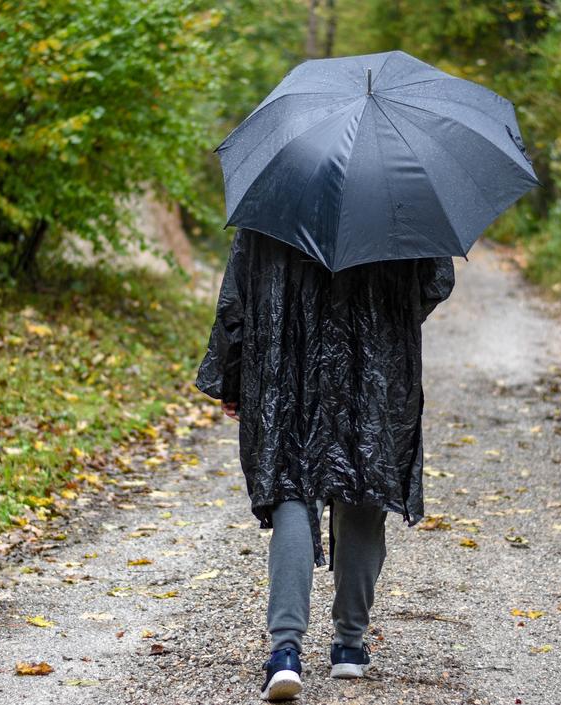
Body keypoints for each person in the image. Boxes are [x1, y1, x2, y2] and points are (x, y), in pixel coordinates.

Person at [195, 227, 455, 701]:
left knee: (291, 488)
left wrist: (232, 378)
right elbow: (432, 284)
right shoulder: (401, 204)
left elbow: (237, 301)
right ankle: (350, 647)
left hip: (285, 367)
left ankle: (285, 653)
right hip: (373, 362)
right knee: (363, 486)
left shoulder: (274, 202)